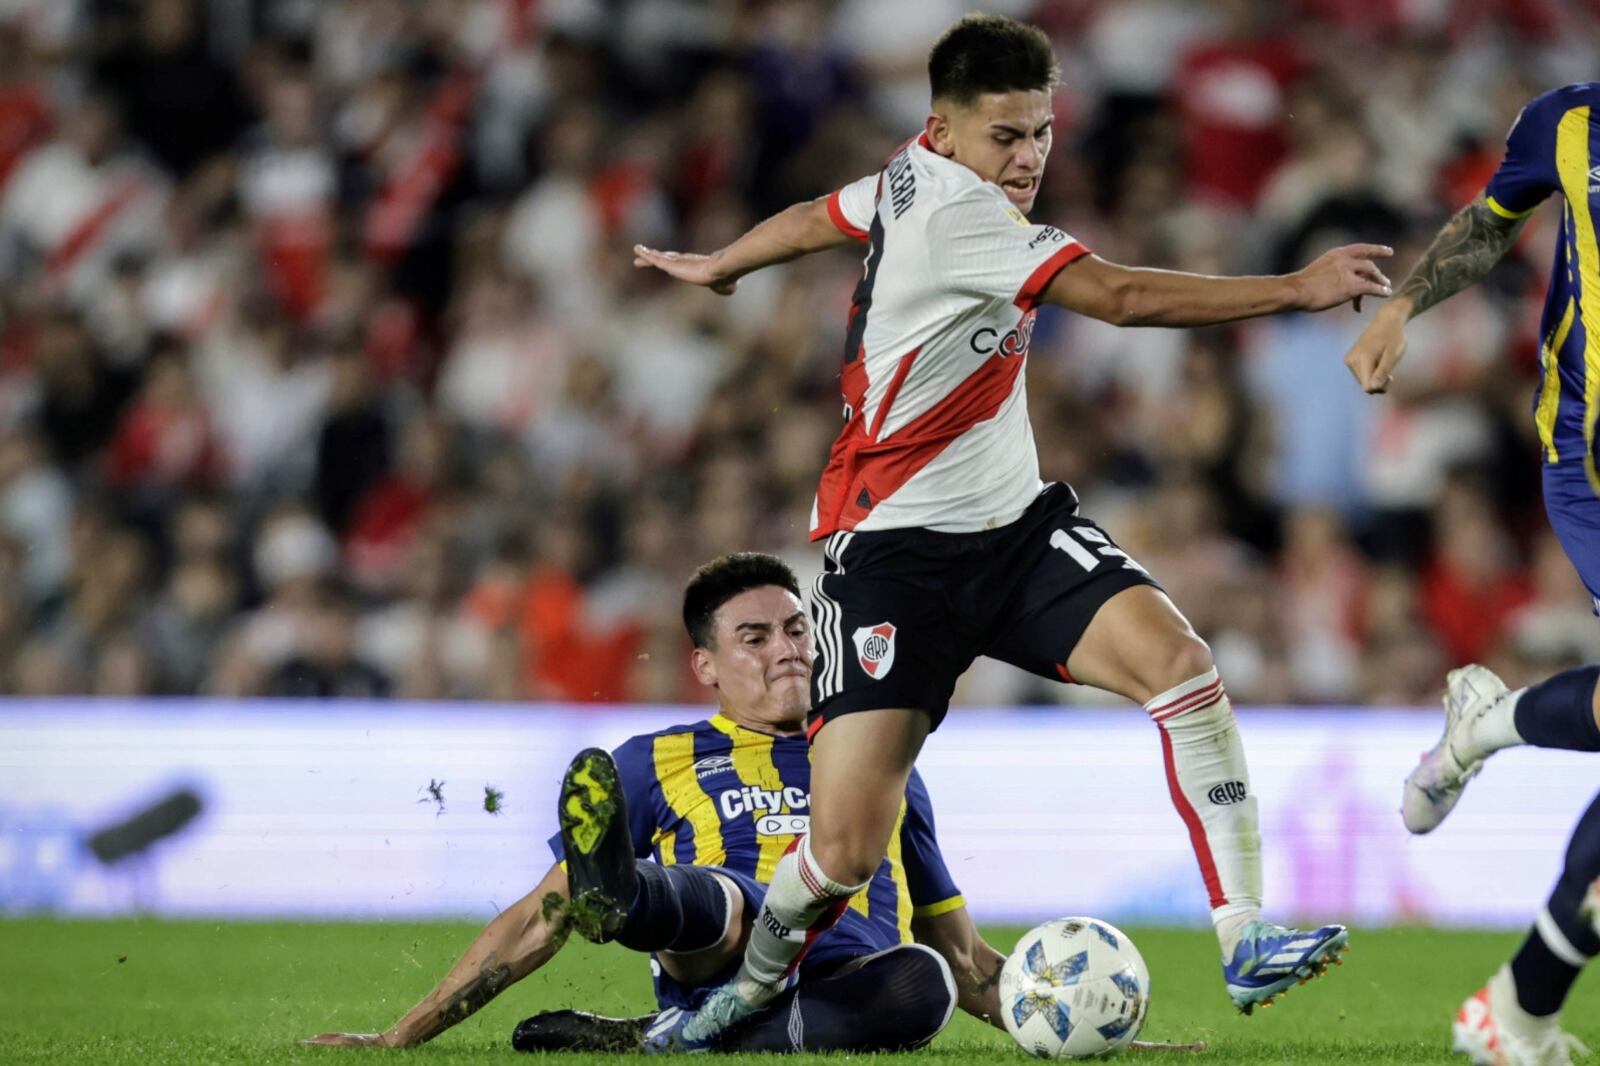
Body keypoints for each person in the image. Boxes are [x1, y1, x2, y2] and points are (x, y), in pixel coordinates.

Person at [631, 13, 1391, 1052]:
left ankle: (1244, 931)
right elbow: (1118, 296)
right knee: (845, 849)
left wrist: (727, 261)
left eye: (1039, 130)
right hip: (892, 556)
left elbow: (821, 214)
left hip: (1015, 530)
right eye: (1005, 136)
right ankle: (734, 1001)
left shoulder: (905, 176)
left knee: (1181, 666)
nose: (1028, 156)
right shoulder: (960, 217)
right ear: (944, 131)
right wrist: (1296, 287)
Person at [304, 552, 999, 1053]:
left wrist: (1065, 1015)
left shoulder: (879, 761)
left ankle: (673, 1038)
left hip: (838, 981)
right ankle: (621, 896)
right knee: (728, 902)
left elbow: (963, 957)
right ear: (705, 666)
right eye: (754, 639)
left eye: (795, 630)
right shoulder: (654, 759)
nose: (786, 650)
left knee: (927, 986)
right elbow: (541, 916)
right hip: (717, 943)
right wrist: (398, 1036)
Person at [1342, 82, 1600, 1066]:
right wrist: (1402, 304)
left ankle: (1486, 725)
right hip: (1590, 458)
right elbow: (1489, 224)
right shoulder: (1569, 123)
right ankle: (1518, 1004)